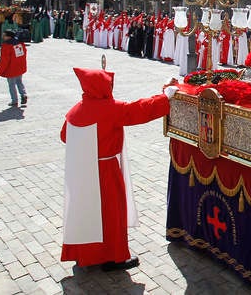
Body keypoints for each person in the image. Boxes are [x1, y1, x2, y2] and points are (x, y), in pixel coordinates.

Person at [60, 68, 178, 270]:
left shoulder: (74, 111)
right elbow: (139, 110)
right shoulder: (110, 109)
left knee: (84, 212)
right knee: (112, 214)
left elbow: (64, 136)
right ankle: (112, 257)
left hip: (81, 169)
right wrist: (165, 96)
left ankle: (85, 255)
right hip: (105, 170)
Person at [0, 30, 28, 107]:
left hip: (11, 69)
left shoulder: (6, 46)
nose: (3, 36)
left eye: (4, 35)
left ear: (9, 36)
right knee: (19, 82)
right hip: (20, 67)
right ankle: (24, 94)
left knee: (11, 85)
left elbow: (4, 61)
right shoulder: (20, 43)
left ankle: (14, 101)